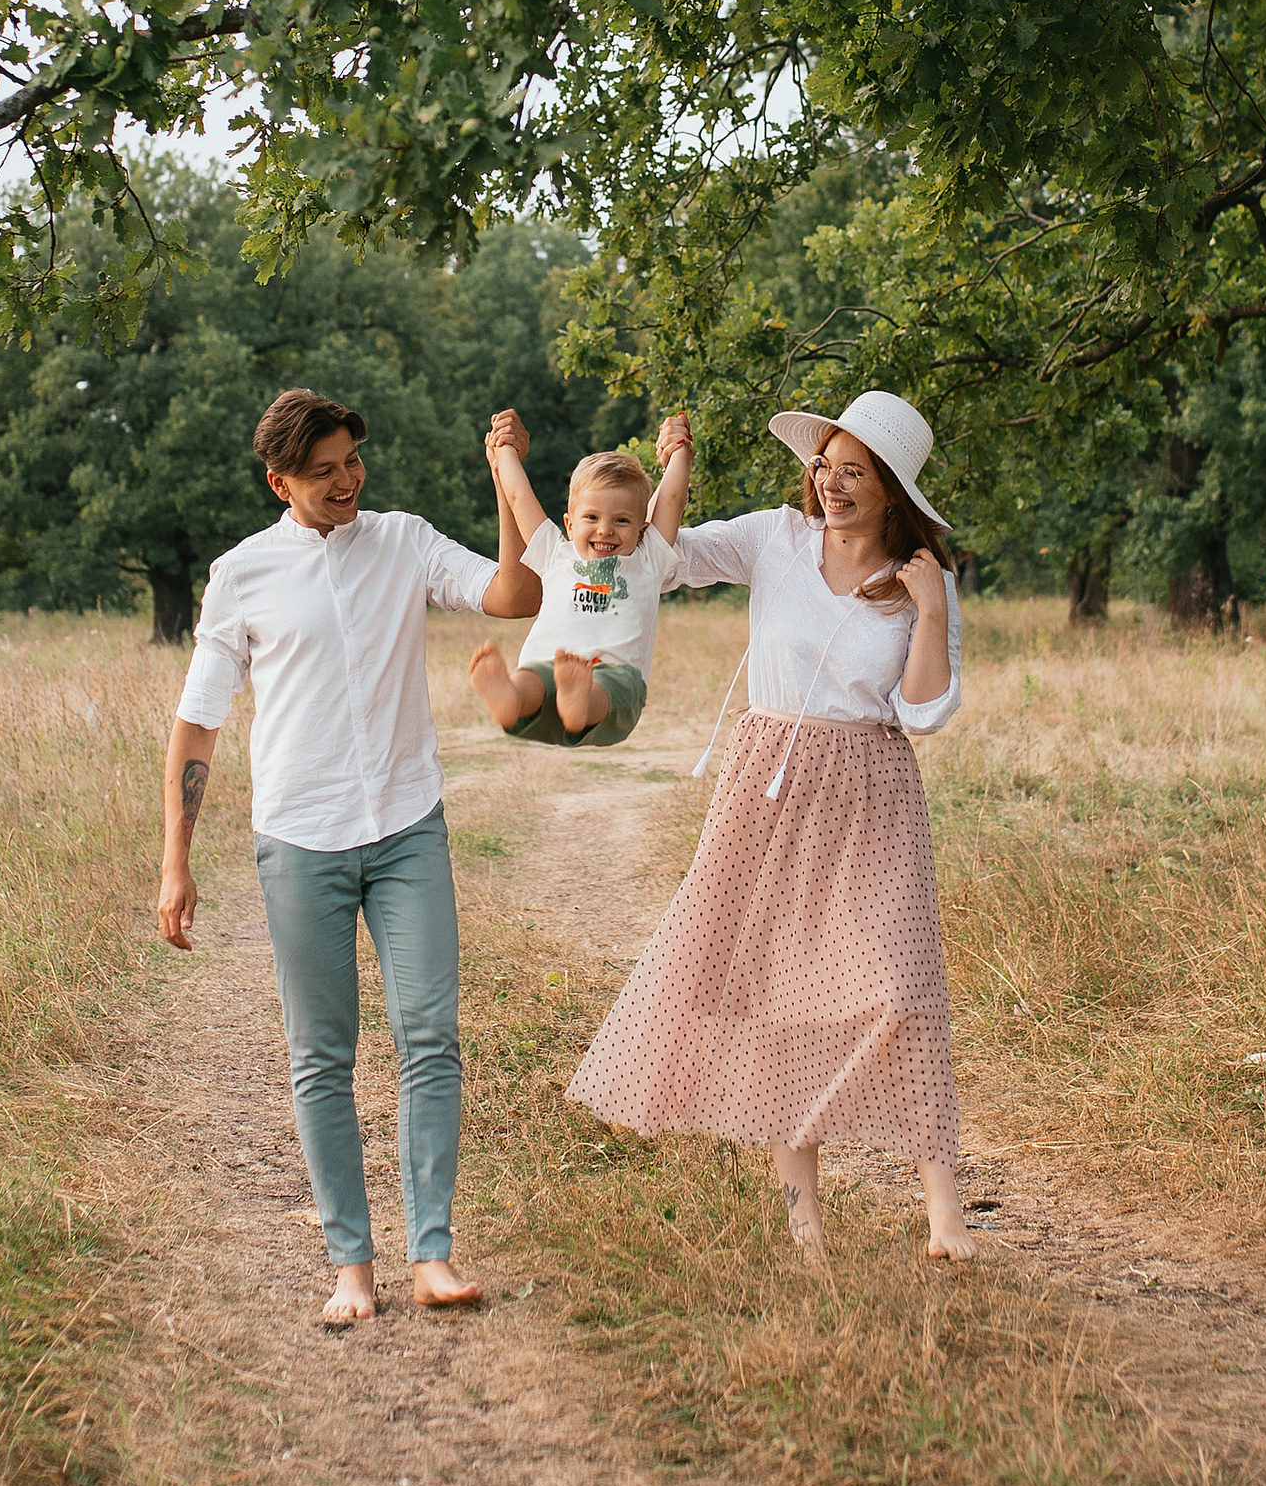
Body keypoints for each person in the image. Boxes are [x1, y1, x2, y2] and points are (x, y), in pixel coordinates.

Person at [155, 387, 541, 1330]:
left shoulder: (403, 540)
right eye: (323, 471)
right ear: (280, 479)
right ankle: (351, 1266)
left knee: (430, 1038)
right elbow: (199, 723)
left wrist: (504, 477)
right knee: (321, 1056)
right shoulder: (242, 573)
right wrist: (176, 861)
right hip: (300, 839)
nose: (346, 482)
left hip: (408, 823)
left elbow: (512, 594)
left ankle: (434, 1256)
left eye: (352, 463)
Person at [565, 391, 972, 1262]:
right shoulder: (775, 539)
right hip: (769, 787)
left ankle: (946, 1219)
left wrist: (930, 609)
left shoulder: (915, 587)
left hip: (870, 791)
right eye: (823, 466)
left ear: (893, 489)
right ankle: (805, 1222)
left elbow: (927, 712)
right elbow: (665, 559)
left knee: (902, 992)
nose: (830, 484)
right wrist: (650, 482)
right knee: (779, 1006)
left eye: (853, 472)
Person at [468, 410, 694, 749]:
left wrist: (680, 453)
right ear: (569, 523)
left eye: (621, 520)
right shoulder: (555, 554)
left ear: (642, 528)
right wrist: (504, 450)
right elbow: (517, 497)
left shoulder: (648, 560)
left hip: (614, 678)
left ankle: (579, 704)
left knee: (601, 688)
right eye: (591, 517)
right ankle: (510, 699)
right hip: (551, 666)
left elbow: (673, 499)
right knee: (530, 679)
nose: (605, 529)